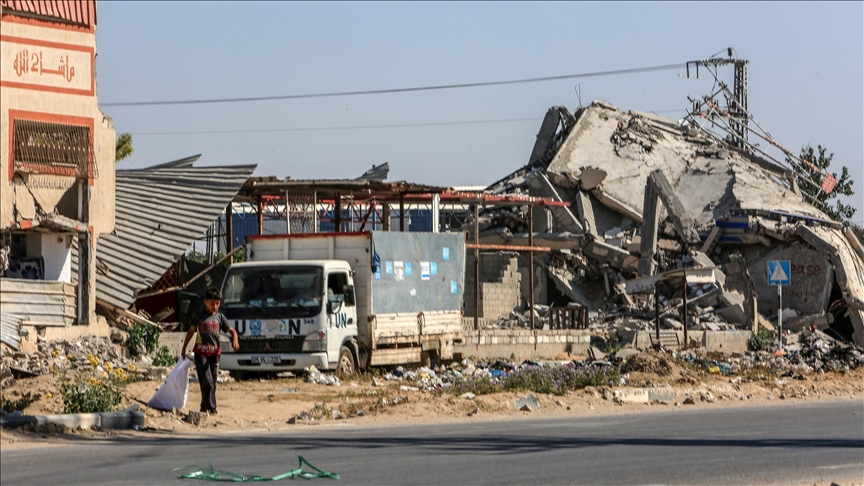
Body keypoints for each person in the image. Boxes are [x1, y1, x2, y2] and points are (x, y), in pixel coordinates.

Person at [181, 287, 239, 415]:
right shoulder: (199, 316)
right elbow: (190, 332)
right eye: (212, 303)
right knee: (207, 381)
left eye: (217, 303)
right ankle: (212, 409)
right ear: (205, 302)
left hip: (215, 354)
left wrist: (235, 340)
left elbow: (231, 331)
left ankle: (204, 407)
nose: (215, 306)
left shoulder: (220, 317)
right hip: (201, 354)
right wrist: (184, 348)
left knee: (212, 383)